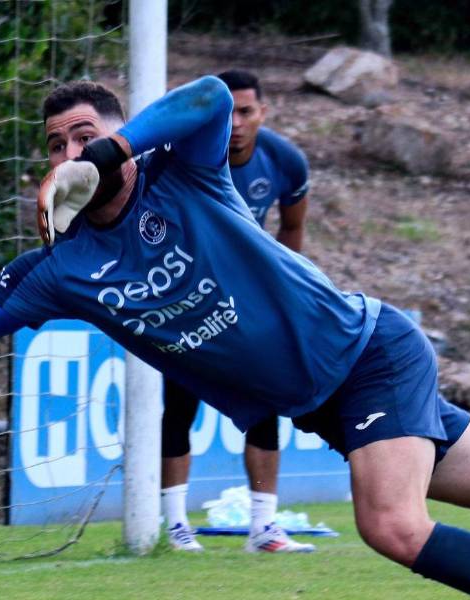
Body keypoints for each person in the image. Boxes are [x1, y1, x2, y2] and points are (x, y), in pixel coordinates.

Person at [0, 76, 470, 599]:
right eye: (57, 144)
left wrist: (114, 152)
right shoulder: (59, 269)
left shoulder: (185, 171)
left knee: (392, 526)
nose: (71, 152)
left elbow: (206, 97)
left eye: (86, 135)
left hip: (369, 354)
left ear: (120, 139)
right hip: (325, 407)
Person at [160, 69, 312, 554]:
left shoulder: (285, 162)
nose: (238, 123)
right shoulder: (182, 158)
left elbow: (292, 228)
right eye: (228, 113)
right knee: (180, 407)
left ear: (263, 112)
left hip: (248, 304)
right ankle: (173, 525)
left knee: (265, 406)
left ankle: (263, 528)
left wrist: (283, 287)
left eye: (247, 111)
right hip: (185, 301)